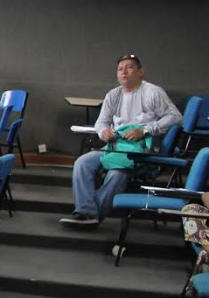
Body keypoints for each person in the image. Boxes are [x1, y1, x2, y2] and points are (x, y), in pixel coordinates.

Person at [61, 54, 181, 227]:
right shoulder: (113, 95)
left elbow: (175, 117)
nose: (123, 72)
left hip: (140, 153)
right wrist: (103, 132)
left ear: (141, 72)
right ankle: (86, 212)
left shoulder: (153, 92)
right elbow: (101, 121)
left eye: (129, 67)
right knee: (82, 163)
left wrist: (145, 130)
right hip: (115, 148)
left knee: (117, 173)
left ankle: (89, 217)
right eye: (120, 69)